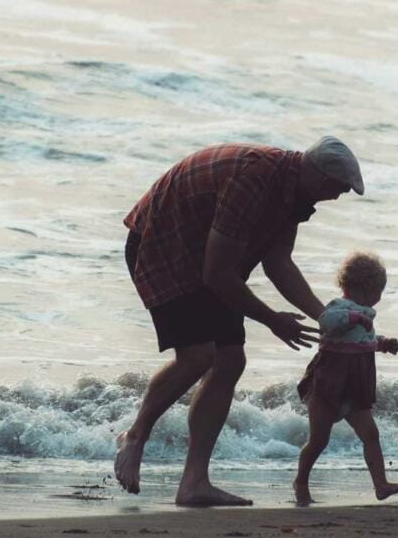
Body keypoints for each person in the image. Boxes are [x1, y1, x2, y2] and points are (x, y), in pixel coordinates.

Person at [116, 136, 365, 507]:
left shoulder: (293, 193)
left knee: (231, 360)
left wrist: (325, 316)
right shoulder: (257, 179)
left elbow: (279, 262)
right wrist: (271, 320)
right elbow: (216, 272)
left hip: (208, 257)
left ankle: (194, 482)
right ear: (318, 176)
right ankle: (135, 436)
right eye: (338, 189)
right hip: (163, 242)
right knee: (198, 356)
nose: (338, 197)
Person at [293, 252, 398, 505]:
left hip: (355, 389)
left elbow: (360, 342)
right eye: (378, 292)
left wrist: (383, 344)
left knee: (370, 434)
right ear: (366, 290)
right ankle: (301, 480)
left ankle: (380, 484)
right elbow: (327, 322)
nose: (378, 299)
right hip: (328, 386)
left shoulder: (363, 314)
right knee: (319, 440)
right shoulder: (339, 308)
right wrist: (355, 317)